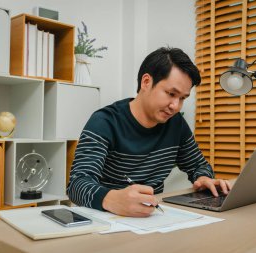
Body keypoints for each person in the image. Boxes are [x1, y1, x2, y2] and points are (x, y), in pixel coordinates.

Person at [67, 47, 231, 217]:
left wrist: (203, 178)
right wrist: (111, 199)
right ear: (146, 82)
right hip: (107, 217)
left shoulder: (175, 123)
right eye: (171, 93)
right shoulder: (105, 122)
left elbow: (198, 165)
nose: (175, 106)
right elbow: (77, 185)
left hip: (153, 217)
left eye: (182, 98)